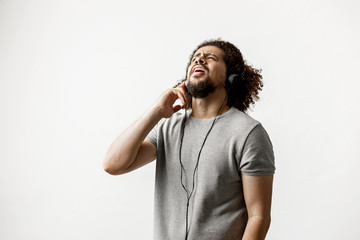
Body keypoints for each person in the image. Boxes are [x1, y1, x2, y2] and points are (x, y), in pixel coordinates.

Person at [103, 39, 275, 240]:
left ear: (231, 77)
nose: (199, 60)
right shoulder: (168, 126)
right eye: (195, 58)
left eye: (210, 58)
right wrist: (157, 111)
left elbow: (259, 217)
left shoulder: (248, 133)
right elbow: (113, 165)